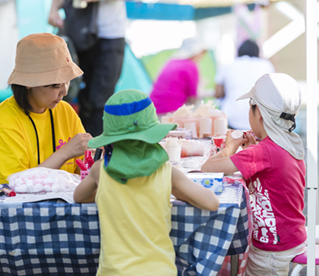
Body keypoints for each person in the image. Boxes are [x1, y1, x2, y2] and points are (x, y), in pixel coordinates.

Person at [74, 89, 219, 275]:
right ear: (153, 135)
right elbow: (212, 203)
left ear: (110, 139)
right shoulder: (168, 173)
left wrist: (107, 192)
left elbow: (78, 196)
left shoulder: (99, 171)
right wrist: (175, 189)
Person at [201, 73, 306, 276]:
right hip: (290, 237)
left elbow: (207, 167)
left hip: (272, 249)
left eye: (251, 105)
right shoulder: (287, 143)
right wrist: (253, 150)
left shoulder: (262, 152)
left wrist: (230, 147)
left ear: (259, 113)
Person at [0, 33, 92, 185]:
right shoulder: (3, 124)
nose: (64, 92)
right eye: (56, 85)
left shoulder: (65, 111)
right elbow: (12, 188)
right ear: (29, 83)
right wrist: (65, 152)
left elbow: (84, 169)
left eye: (67, 82)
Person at [48, 0, 141, 137]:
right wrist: (53, 11)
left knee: (100, 102)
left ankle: (99, 155)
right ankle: (84, 153)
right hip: (78, 36)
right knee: (80, 99)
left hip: (110, 36)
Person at [215, 39, 275, 130]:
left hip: (231, 118)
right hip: (260, 119)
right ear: (257, 52)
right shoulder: (266, 65)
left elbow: (218, 93)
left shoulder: (227, 66)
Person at [150, 37, 207, 115]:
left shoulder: (171, 61)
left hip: (152, 110)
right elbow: (193, 96)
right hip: (171, 111)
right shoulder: (191, 65)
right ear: (196, 52)